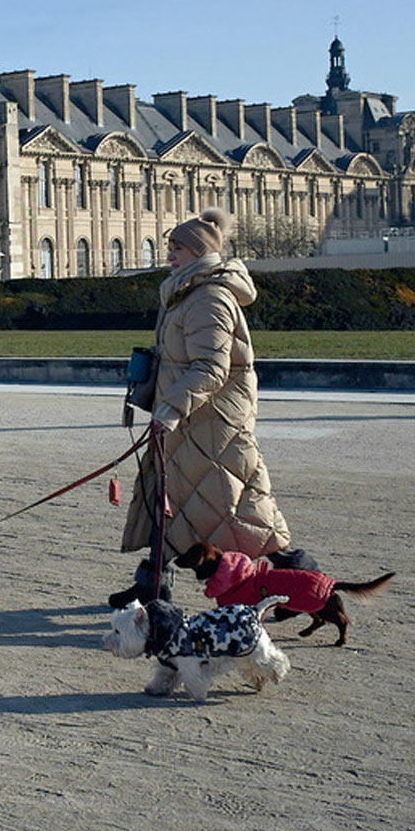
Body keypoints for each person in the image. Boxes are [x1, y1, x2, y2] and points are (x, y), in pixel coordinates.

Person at [113, 207, 291, 607]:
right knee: (172, 502)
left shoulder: (208, 297)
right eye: (170, 246)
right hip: (190, 421)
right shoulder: (186, 292)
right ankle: (151, 586)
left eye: (177, 247)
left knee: (239, 510)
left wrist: (170, 410)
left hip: (213, 423)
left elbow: (211, 367)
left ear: (198, 251)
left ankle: (303, 578)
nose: (170, 254)